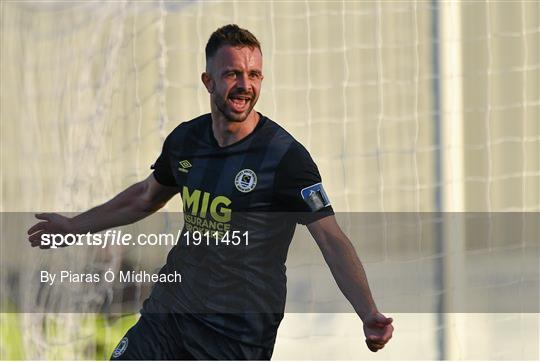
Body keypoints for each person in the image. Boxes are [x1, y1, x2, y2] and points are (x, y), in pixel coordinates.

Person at [27, 24, 393, 360]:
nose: (244, 85)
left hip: (236, 338)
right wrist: (73, 226)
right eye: (232, 73)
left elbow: (331, 239)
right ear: (208, 81)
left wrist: (368, 312)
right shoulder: (186, 140)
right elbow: (145, 196)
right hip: (170, 315)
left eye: (254, 74)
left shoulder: (285, 158)